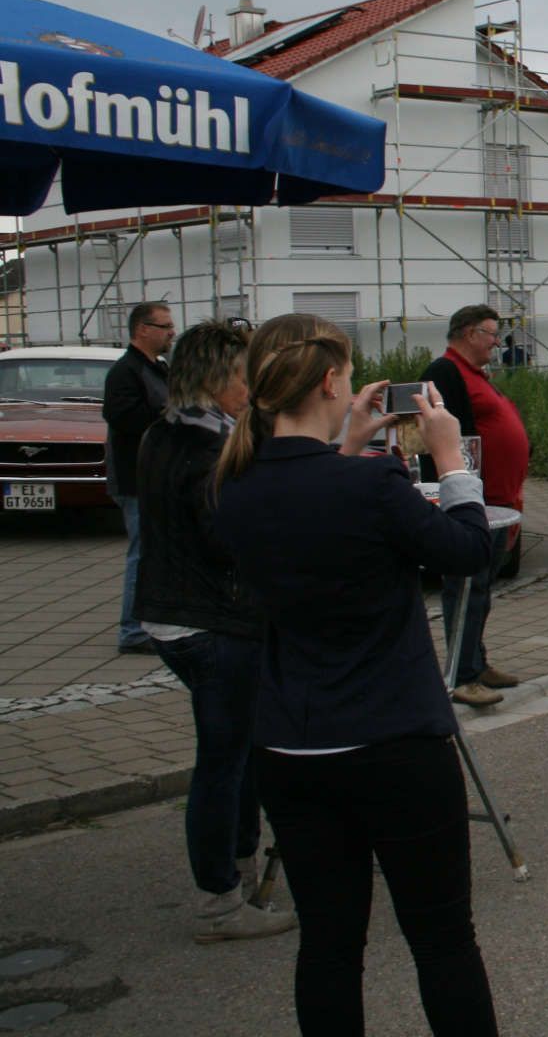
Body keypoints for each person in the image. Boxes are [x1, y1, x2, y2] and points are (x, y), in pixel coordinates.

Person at [212, 313, 499, 1035]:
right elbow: (467, 551)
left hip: (292, 749)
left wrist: (350, 445)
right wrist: (451, 461)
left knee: (331, 946)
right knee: (441, 942)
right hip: (395, 743)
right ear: (332, 379)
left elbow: (311, 500)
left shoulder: (235, 488)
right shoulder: (370, 488)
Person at [136, 320, 297, 945]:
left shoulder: (168, 432)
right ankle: (219, 899)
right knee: (224, 761)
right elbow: (226, 540)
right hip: (210, 622)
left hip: (181, 615)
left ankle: (239, 866)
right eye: (243, 380)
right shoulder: (201, 450)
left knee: (237, 751)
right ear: (216, 379)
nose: (250, 391)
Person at [421, 305, 530, 707]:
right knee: (466, 587)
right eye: (490, 333)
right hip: (475, 502)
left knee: (482, 588)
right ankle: (462, 675)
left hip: (497, 501)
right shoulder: (445, 372)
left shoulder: (474, 374)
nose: (496, 342)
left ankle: (476, 663)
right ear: (468, 333)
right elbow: (447, 438)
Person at [103, 300, 174, 654]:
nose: (171, 332)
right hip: (135, 478)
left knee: (153, 551)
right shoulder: (125, 371)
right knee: (141, 553)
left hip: (157, 475)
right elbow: (123, 418)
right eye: (164, 326)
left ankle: (153, 620)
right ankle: (132, 631)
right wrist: (167, 412)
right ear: (142, 329)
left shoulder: (158, 368)